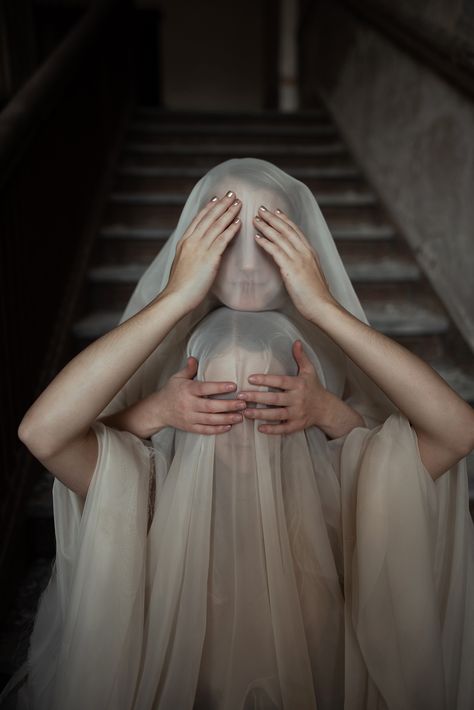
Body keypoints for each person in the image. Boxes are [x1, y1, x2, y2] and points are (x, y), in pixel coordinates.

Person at [1, 158, 474, 710]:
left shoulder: (344, 500)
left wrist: (324, 354)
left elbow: (457, 430)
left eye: (268, 402)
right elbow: (42, 431)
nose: (241, 420)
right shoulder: (148, 493)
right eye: (216, 401)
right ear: (187, 408)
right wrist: (171, 318)